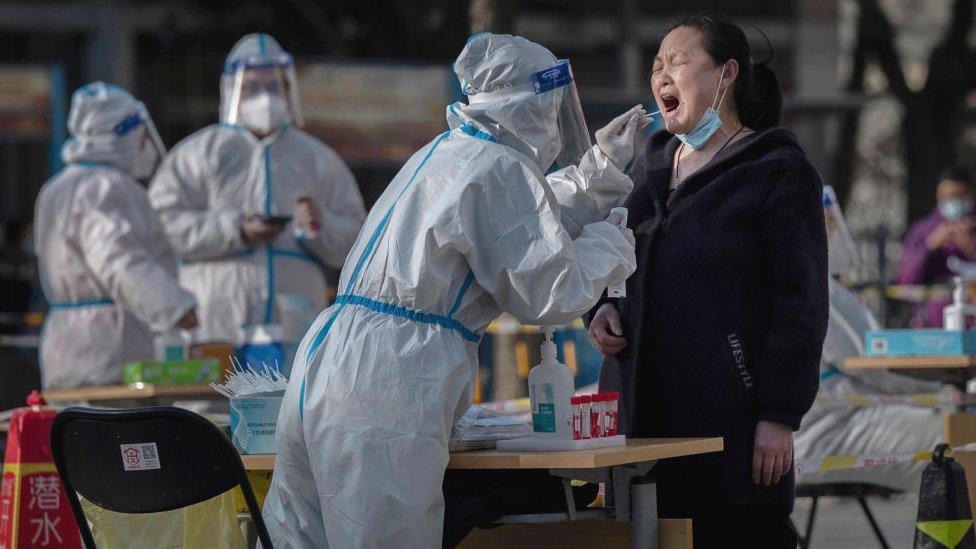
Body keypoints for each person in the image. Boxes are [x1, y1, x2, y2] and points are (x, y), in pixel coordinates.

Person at [263, 32, 644, 548]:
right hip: (391, 377)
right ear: (528, 103)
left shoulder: (450, 153)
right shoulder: (501, 169)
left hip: (328, 358)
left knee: (302, 536)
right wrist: (613, 242)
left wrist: (598, 169)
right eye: (552, 104)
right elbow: (549, 291)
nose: (556, 118)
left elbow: (527, 226)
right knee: (385, 538)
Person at [588, 14, 827, 548]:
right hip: (636, 423)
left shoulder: (777, 171)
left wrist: (778, 415)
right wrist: (600, 307)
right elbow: (610, 258)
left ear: (726, 74)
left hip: (730, 427)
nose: (661, 77)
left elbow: (802, 302)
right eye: (655, 67)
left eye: (678, 61)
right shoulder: (647, 169)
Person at [148, 33, 366, 343]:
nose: (264, 96)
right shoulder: (199, 154)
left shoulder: (318, 159)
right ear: (231, 90)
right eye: (251, 87)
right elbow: (159, 227)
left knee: (291, 392)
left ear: (289, 90)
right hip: (215, 323)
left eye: (273, 86)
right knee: (212, 391)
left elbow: (357, 241)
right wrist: (234, 229)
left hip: (295, 324)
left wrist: (319, 226)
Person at [34, 82, 198, 389]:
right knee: (117, 432)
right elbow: (117, 259)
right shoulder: (105, 186)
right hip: (108, 348)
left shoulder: (57, 186)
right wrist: (174, 306)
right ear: (124, 135)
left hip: (66, 345)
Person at [897, 167, 976, 326]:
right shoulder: (923, 230)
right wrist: (930, 247)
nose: (952, 202)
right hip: (931, 324)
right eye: (946, 197)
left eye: (958, 196)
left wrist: (971, 248)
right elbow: (907, 280)